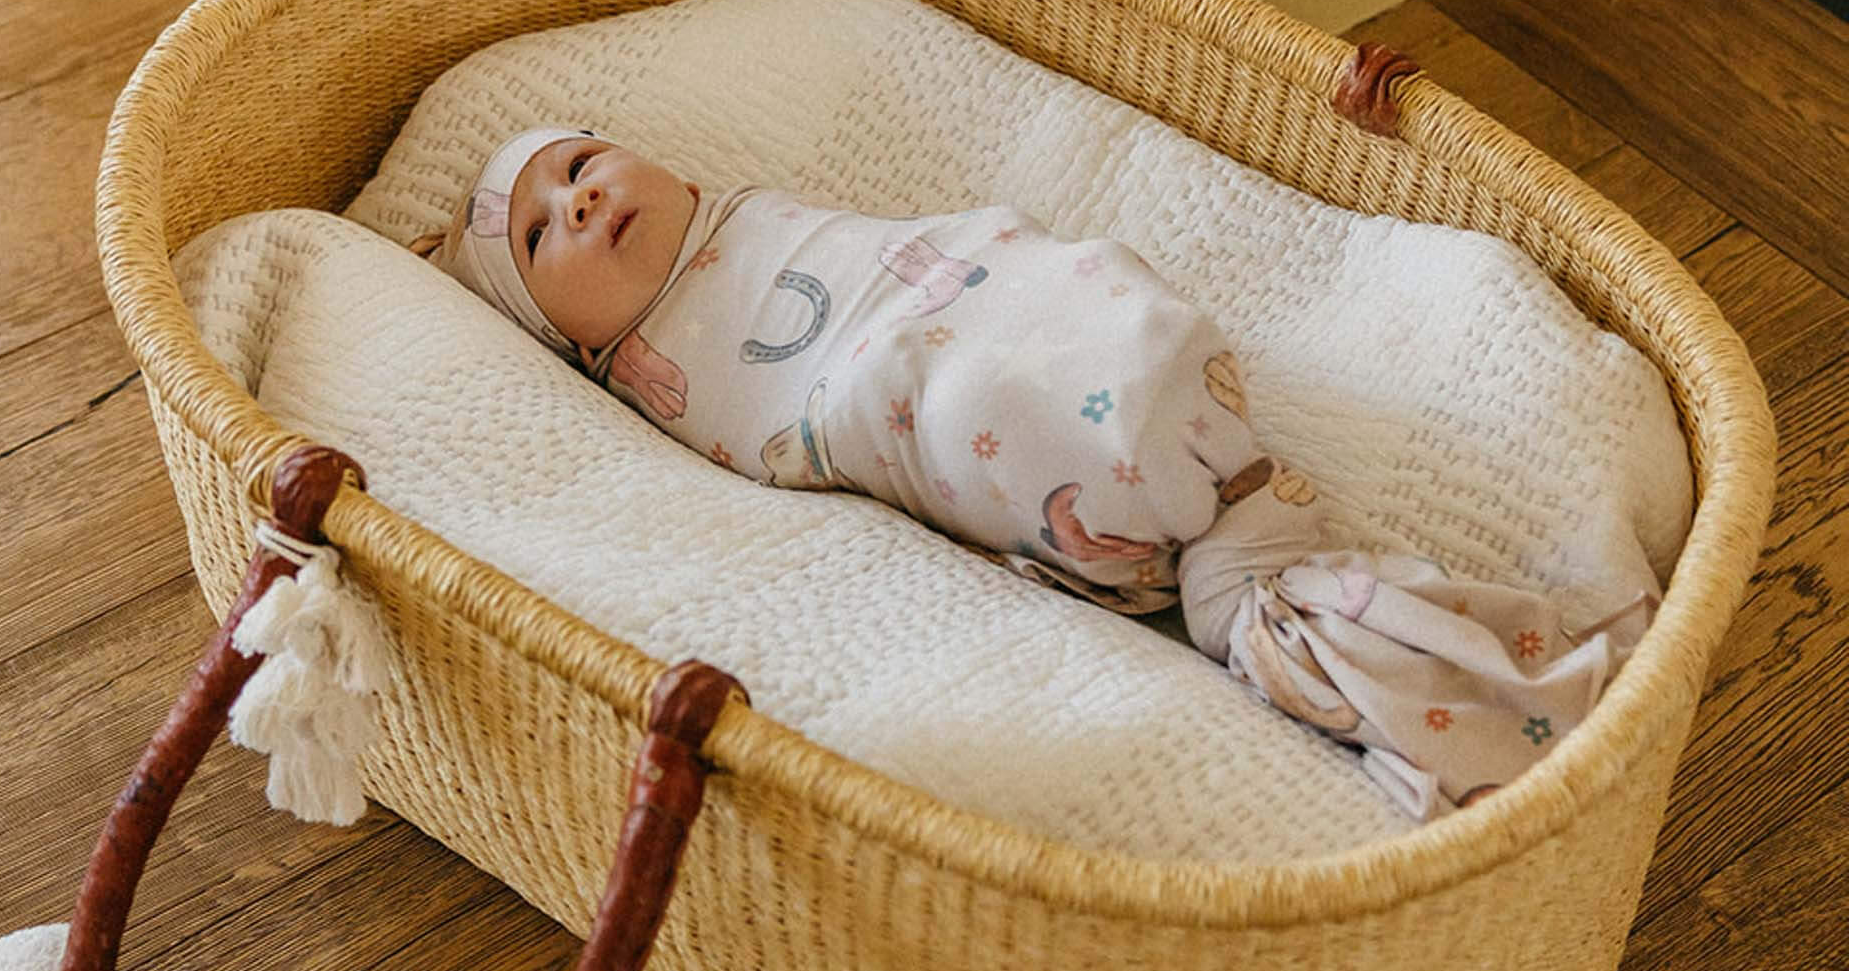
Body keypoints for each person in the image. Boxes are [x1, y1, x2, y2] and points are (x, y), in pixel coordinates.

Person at [414, 127, 1657, 819]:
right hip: (900, 383)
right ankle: (1262, 585)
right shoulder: (642, 369)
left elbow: (957, 257)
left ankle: (1208, 474)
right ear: (572, 342)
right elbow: (850, 410)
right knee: (964, 395)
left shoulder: (741, 208)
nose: (579, 201)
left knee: (1071, 287)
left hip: (1003, 289)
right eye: (539, 233)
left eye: (579, 165)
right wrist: (450, 265)